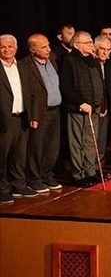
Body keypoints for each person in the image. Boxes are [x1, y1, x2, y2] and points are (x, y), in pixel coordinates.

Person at [59, 31, 104, 187]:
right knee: (77, 142)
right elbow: (66, 86)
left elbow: (99, 82)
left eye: (91, 42)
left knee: (90, 141)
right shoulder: (69, 60)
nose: (92, 45)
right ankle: (78, 174)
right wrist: (80, 103)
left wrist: (100, 103)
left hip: (94, 107)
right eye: (88, 43)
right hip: (78, 108)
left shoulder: (93, 60)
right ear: (77, 45)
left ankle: (90, 171)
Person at [20, 34, 63, 192]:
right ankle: (34, 179)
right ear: (32, 50)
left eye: (48, 45)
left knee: (52, 147)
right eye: (43, 47)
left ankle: (47, 175)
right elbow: (27, 92)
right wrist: (33, 115)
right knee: (36, 147)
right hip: (39, 112)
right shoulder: (25, 65)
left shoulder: (52, 59)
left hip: (55, 110)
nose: (48, 49)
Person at [1, 34, 38, 202]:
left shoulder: (23, 67)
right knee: (2, 155)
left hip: (22, 117)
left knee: (19, 154)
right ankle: (2, 188)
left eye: (10, 46)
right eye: (3, 47)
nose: (6, 50)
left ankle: (19, 185)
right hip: (4, 119)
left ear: (16, 48)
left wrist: (33, 116)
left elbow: (32, 93)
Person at [93, 36, 111, 163]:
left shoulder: (108, 64)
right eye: (102, 49)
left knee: (102, 136)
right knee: (92, 138)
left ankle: (100, 162)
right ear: (95, 48)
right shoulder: (91, 64)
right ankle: (91, 165)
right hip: (94, 107)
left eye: (108, 50)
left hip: (106, 107)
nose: (105, 53)